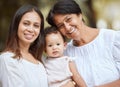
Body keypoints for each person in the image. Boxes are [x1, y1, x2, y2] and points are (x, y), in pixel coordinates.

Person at [46, 0, 120, 87]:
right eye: (61, 26)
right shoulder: (64, 53)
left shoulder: (113, 39)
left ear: (80, 15)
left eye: (69, 19)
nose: (67, 27)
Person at [0, 4, 48, 87]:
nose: (30, 29)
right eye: (26, 23)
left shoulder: (41, 61)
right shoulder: (7, 59)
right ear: (16, 25)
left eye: (36, 26)